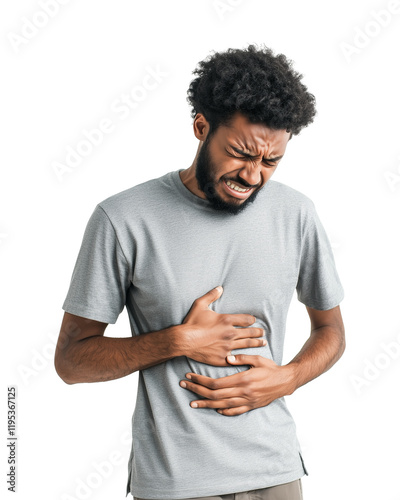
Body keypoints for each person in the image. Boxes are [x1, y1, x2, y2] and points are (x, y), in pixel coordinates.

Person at [55, 44, 345, 500]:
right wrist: (176, 341)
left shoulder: (296, 213)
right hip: (175, 483)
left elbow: (331, 330)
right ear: (201, 126)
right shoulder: (123, 218)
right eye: (240, 153)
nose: (253, 176)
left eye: (270, 161)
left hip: (276, 473)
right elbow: (71, 361)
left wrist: (287, 378)